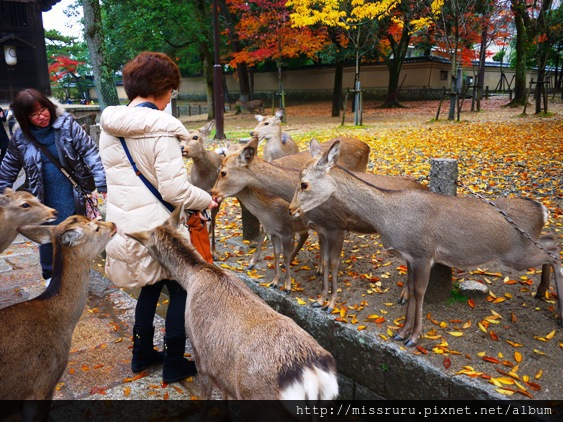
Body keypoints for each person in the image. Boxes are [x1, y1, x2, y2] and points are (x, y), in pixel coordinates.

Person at [99, 51, 217, 383]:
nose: (170, 99)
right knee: (180, 288)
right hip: (159, 229)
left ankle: (141, 354)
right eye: (171, 91)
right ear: (163, 89)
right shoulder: (162, 131)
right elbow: (175, 191)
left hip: (126, 225)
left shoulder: (109, 128)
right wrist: (207, 200)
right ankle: (175, 362)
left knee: (149, 288)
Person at [0, 89, 106, 281]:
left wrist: (101, 181)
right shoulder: (21, 138)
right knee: (48, 237)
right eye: (34, 114)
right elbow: (8, 167)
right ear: (25, 118)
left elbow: (90, 152)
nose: (42, 116)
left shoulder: (67, 125)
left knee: (76, 233)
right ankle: (50, 277)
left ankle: (78, 275)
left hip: (72, 192)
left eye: (43, 110)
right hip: (43, 197)